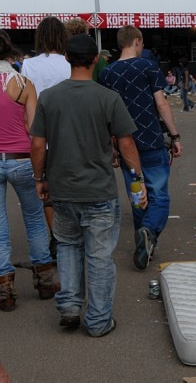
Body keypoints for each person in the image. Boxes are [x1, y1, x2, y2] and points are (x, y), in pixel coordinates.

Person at [30, 34, 146, 336]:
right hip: (99, 191)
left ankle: (69, 306)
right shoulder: (108, 98)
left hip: (62, 189)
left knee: (67, 246)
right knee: (99, 257)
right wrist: (138, 180)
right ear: (96, 59)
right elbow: (126, 143)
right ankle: (97, 321)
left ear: (67, 59)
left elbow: (38, 145)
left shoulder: (49, 97)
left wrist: (39, 179)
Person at [100, 25, 182, 271]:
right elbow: (161, 103)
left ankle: (143, 243)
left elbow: (106, 115)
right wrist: (175, 135)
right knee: (158, 194)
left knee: (138, 195)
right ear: (137, 41)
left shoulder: (108, 73)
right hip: (151, 139)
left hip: (125, 144)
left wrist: (112, 147)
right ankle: (150, 231)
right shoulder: (148, 66)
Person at [0, 31, 57, 312]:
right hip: (22, 158)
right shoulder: (24, 84)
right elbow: (35, 131)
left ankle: (5, 288)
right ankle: (45, 281)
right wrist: (40, 172)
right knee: (34, 218)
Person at [20, 16, 71, 256]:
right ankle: (73, 233)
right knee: (71, 186)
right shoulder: (70, 62)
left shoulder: (29, 65)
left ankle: (56, 235)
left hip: (42, 133)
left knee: (47, 189)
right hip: (70, 132)